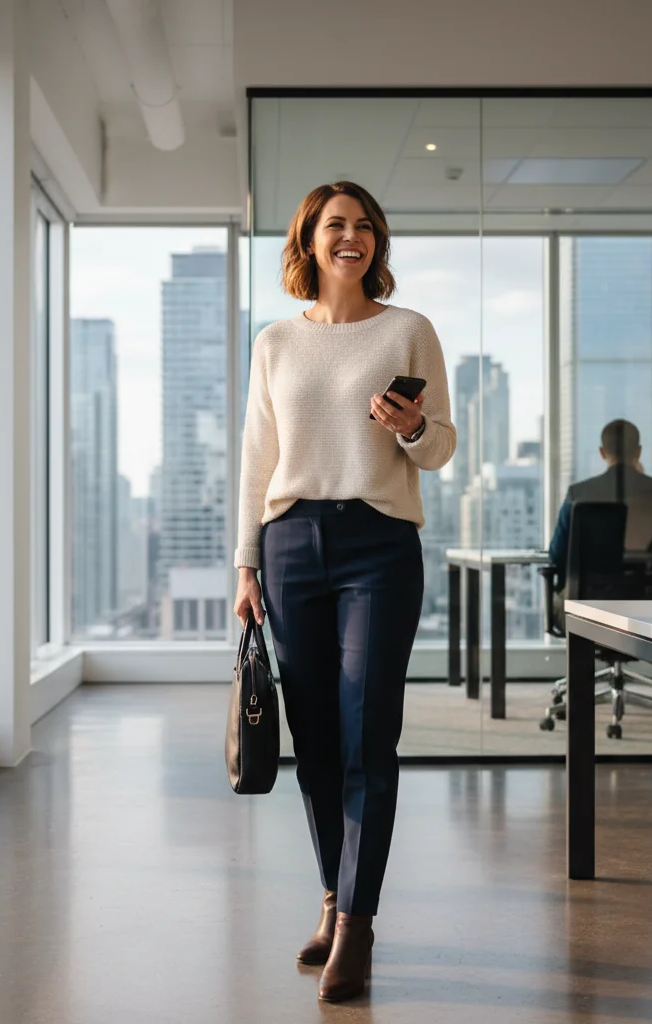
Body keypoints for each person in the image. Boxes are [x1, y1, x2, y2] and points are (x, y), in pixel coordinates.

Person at [232, 181, 456, 1003]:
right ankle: (333, 895)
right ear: (310, 240)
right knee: (318, 743)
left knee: (369, 733)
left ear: (378, 244)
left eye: (364, 226)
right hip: (291, 546)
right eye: (336, 225)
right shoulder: (276, 342)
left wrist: (408, 428)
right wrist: (246, 564)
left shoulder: (408, 331)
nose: (351, 237)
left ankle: (356, 927)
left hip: (379, 544)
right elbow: (258, 457)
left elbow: (439, 450)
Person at [548, 418, 652, 618]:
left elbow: (558, 554)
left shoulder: (579, 493)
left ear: (602, 452)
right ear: (639, 451)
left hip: (588, 605)